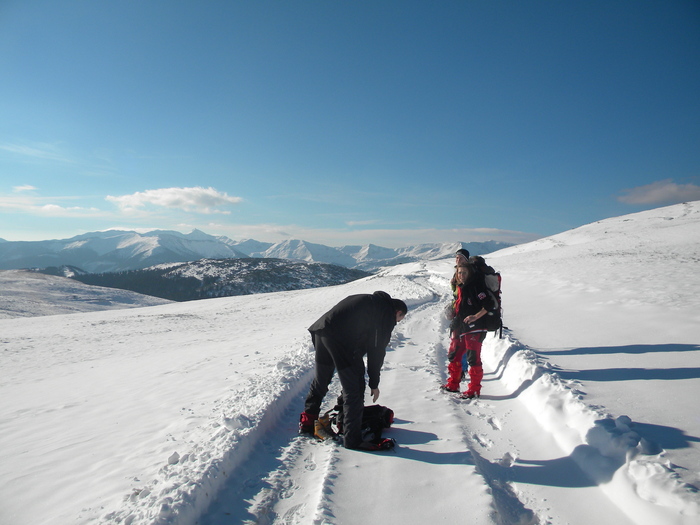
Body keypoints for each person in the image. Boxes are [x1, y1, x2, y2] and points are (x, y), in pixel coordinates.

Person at [299, 291, 408, 449]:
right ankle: (353, 439)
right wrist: (374, 383)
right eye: (399, 319)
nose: (396, 322)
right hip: (340, 339)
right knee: (355, 388)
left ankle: (307, 422)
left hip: (322, 331)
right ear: (398, 312)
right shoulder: (385, 313)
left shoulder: (370, 301)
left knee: (321, 380)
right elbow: (376, 351)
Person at [442, 264, 498, 398]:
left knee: (473, 359)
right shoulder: (461, 287)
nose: (461, 275)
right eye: (459, 273)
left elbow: (489, 304)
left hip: (476, 328)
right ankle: (453, 384)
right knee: (454, 355)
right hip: (462, 327)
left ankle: (474, 390)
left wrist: (475, 316)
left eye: (464, 273)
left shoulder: (476, 287)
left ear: (470, 274)